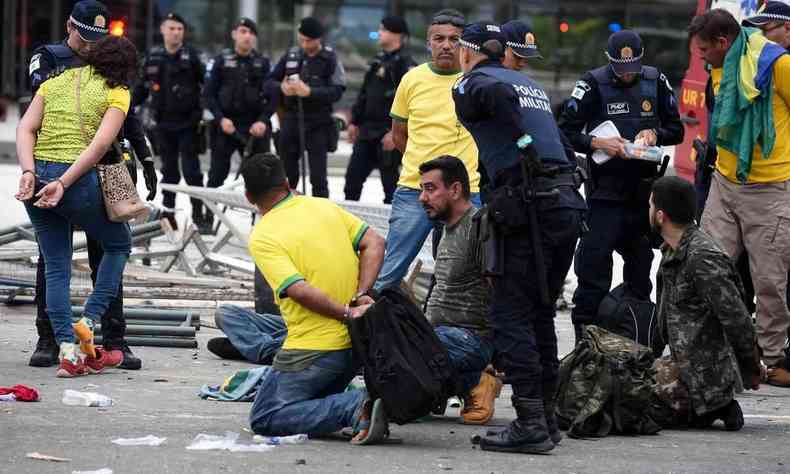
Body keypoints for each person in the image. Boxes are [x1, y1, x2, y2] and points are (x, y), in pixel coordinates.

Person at [452, 22, 586, 454]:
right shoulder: (528, 83)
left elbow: (493, 99)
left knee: (511, 315)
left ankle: (530, 422)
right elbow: (561, 141)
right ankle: (544, 418)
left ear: (467, 51)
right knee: (540, 314)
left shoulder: (474, 81)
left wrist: (521, 141)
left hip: (530, 208)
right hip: (563, 202)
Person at [26, 0, 152, 370]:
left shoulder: (106, 78)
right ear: (69, 26)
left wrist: (144, 157)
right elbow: (41, 112)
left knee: (76, 260)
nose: (91, 45)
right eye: (85, 36)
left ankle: (106, 339)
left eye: (98, 39)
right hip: (75, 173)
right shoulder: (49, 61)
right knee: (103, 249)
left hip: (62, 173)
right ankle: (52, 338)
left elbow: (126, 124)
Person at [242, 153, 390, 444]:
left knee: (265, 416)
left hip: (313, 350)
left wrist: (346, 313)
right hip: (355, 346)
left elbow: (298, 290)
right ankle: (355, 406)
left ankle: (356, 405)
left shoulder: (263, 235)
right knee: (306, 406)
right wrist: (360, 297)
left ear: (249, 197)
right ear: (287, 183)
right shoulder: (324, 206)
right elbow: (375, 241)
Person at [558, 30, 684, 343]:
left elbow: (677, 129)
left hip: (642, 194)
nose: (627, 74)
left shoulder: (655, 81)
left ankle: (635, 341)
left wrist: (655, 134)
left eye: (633, 68)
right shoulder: (592, 83)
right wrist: (596, 142)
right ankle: (585, 343)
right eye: (620, 68)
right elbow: (564, 131)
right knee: (592, 269)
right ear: (609, 61)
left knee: (641, 272)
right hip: (604, 193)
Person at [688, 9, 790, 386]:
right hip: (725, 182)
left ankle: (772, 358)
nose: (700, 58)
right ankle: (711, 346)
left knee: (769, 280)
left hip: (771, 189)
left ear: (722, 43)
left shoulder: (777, 65)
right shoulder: (722, 64)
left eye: (703, 51)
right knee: (707, 266)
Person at [374, 9, 480, 291]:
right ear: (429, 43)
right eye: (439, 38)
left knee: (464, 275)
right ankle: (371, 328)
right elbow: (399, 135)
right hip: (414, 190)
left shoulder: (477, 82)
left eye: (455, 39)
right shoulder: (412, 79)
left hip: (465, 193)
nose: (447, 45)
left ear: (465, 45)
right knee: (389, 273)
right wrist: (425, 171)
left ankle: (453, 333)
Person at [649, 176, 762, 430]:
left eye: (650, 206)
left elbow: (737, 319)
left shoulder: (702, 258)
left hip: (705, 377)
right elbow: (666, 318)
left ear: (660, 216)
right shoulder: (673, 250)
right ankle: (712, 405)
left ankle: (717, 405)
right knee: (613, 373)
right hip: (685, 366)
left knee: (625, 405)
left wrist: (752, 367)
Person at [133, 12, 204, 230]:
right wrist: (125, 107)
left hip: (189, 124)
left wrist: (204, 113)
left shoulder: (192, 57)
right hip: (163, 125)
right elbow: (142, 89)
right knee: (169, 171)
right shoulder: (153, 58)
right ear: (163, 30)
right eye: (172, 28)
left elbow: (206, 88)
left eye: (180, 29)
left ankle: (199, 214)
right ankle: (169, 216)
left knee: (192, 171)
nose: (176, 33)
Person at [203, 18, 273, 232]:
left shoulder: (263, 63)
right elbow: (209, 94)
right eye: (243, 31)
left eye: (251, 33)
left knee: (261, 177)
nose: (247, 36)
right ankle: (208, 219)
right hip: (226, 126)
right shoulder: (221, 60)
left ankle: (262, 224)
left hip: (254, 127)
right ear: (234, 34)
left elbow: (272, 98)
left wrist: (263, 120)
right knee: (217, 174)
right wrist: (220, 118)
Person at [267, 17, 346, 198]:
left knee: (318, 179)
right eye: (301, 39)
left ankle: (320, 219)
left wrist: (309, 92)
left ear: (319, 39)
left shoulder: (330, 57)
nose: (304, 44)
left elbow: (337, 90)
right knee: (287, 175)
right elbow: (269, 81)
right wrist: (282, 87)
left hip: (318, 122)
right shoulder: (291, 55)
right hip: (291, 119)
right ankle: (287, 213)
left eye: (308, 41)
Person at [343, 15, 415, 204]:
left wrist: (397, 132)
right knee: (352, 181)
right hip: (367, 132)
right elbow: (364, 93)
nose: (379, 33)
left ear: (397, 34)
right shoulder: (377, 61)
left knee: (391, 187)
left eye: (383, 30)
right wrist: (354, 122)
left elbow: (411, 103)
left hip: (388, 134)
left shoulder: (406, 65)